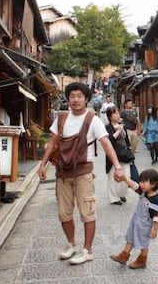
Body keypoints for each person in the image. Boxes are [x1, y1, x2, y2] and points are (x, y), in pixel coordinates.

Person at [38, 82, 125, 265]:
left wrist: (117, 166)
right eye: (72, 96)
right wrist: (43, 164)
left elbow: (106, 143)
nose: (76, 100)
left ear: (86, 99)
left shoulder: (93, 119)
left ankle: (87, 250)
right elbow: (53, 143)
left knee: (87, 211)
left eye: (79, 96)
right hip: (62, 172)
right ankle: (71, 244)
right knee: (64, 212)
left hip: (84, 172)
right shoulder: (61, 118)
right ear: (68, 99)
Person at [110, 168, 158, 269]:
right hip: (136, 221)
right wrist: (125, 178)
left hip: (144, 226)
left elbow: (156, 216)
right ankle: (123, 256)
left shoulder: (156, 200)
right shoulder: (144, 192)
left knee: (143, 243)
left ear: (153, 183)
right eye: (141, 181)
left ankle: (142, 260)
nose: (141, 184)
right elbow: (134, 185)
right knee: (130, 238)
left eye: (144, 182)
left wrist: (155, 229)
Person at [105, 106, 130, 205]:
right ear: (110, 116)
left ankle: (122, 194)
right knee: (112, 177)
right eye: (115, 113)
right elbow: (109, 140)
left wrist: (129, 148)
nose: (118, 115)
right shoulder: (107, 127)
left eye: (118, 113)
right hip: (113, 154)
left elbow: (126, 139)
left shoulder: (122, 125)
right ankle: (114, 198)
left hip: (124, 155)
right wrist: (118, 131)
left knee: (127, 175)